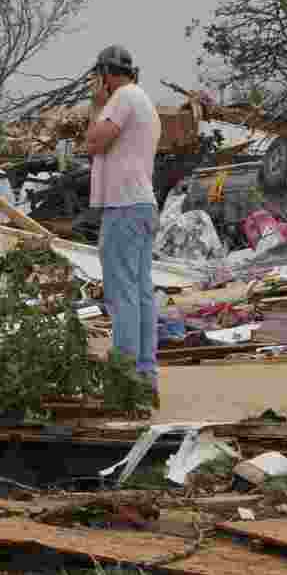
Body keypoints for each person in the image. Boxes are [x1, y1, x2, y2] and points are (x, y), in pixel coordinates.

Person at [85, 45, 162, 407]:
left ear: (106, 75)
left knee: (123, 295)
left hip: (124, 205)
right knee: (142, 293)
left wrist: (97, 105)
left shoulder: (121, 98)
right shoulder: (144, 101)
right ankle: (146, 376)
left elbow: (94, 141)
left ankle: (126, 381)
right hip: (143, 204)